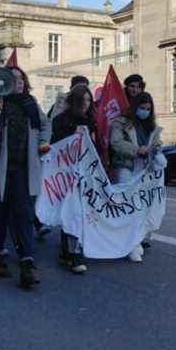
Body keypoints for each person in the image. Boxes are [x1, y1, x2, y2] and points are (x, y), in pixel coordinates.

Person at [0, 66, 51, 289]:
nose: (18, 82)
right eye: (14, 79)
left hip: (23, 169)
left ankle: (27, 263)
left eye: (21, 78)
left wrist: (42, 145)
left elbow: (45, 125)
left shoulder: (30, 104)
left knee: (25, 215)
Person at [109, 91, 162, 262]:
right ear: (135, 107)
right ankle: (127, 243)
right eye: (142, 108)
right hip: (126, 166)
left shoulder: (151, 125)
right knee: (126, 205)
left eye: (148, 109)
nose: (145, 111)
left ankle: (134, 241)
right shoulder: (120, 122)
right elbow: (116, 143)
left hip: (144, 169)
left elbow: (155, 142)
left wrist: (156, 148)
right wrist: (136, 150)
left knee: (140, 207)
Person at [50, 85, 97, 274]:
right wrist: (73, 134)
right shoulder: (61, 120)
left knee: (80, 213)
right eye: (82, 100)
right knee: (72, 213)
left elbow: (92, 146)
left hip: (85, 172)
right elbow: (56, 144)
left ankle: (69, 252)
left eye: (88, 100)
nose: (86, 104)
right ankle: (73, 255)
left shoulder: (90, 120)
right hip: (67, 173)